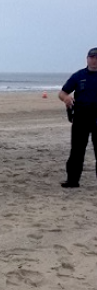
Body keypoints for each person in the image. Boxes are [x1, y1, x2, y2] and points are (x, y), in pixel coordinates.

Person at [58, 47, 97, 188]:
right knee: (77, 151)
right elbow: (62, 93)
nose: (94, 61)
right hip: (81, 117)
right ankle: (72, 180)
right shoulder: (78, 76)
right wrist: (66, 98)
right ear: (87, 59)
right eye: (92, 57)